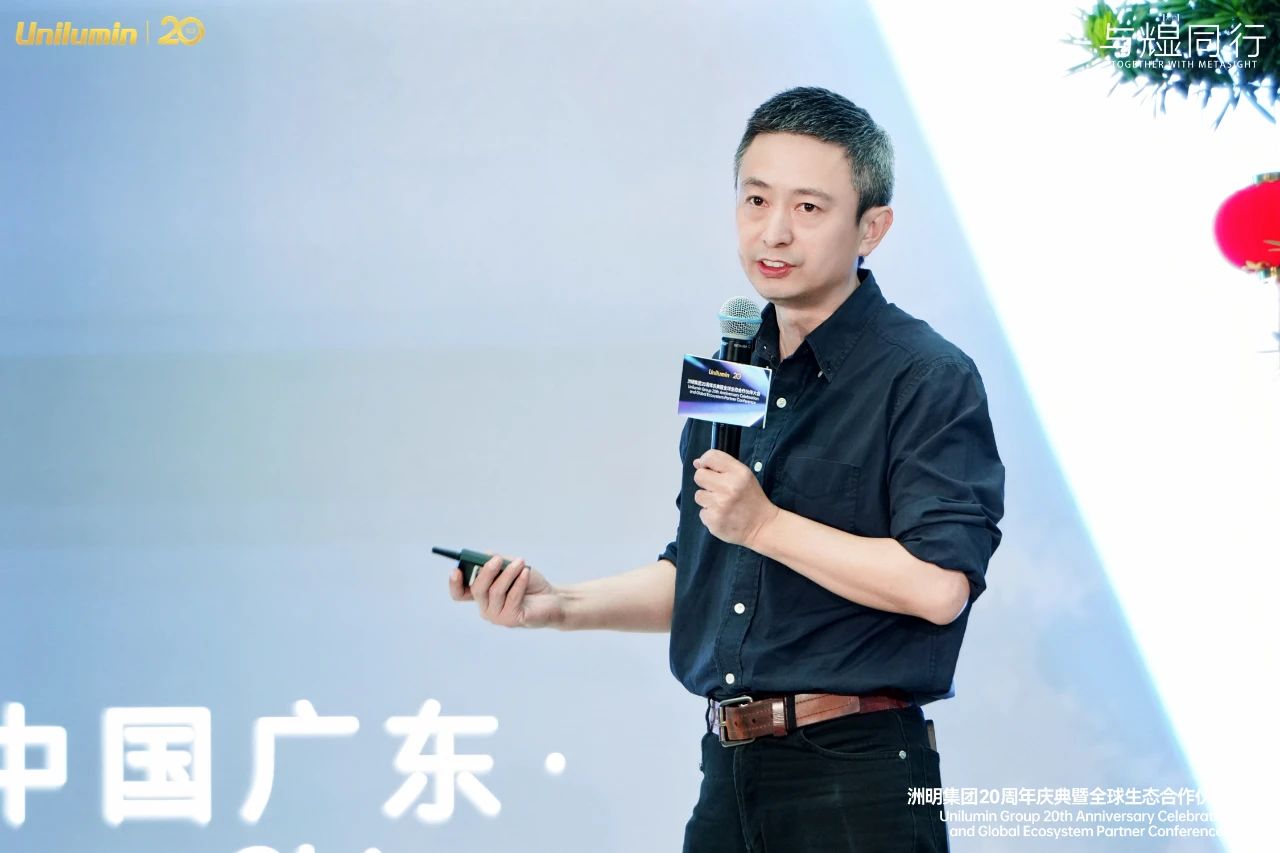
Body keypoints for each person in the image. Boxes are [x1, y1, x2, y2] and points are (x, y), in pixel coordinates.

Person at [448, 86, 1005, 852]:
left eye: (809, 208)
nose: (773, 231)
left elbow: (939, 586)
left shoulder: (926, 373)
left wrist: (766, 524)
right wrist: (558, 603)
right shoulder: (728, 369)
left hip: (856, 775)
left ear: (871, 227)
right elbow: (705, 569)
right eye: (755, 199)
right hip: (729, 769)